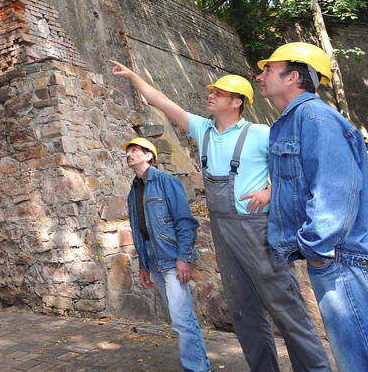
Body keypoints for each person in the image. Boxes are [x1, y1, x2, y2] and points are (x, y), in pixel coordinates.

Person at [111, 60, 329, 371]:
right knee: (243, 312)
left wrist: (270, 192)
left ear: (237, 101)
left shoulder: (260, 133)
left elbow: (298, 171)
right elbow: (162, 100)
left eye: (219, 92)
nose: (211, 95)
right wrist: (133, 75)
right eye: (212, 91)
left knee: (286, 308)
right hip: (223, 232)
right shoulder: (203, 130)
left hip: (257, 229)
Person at [256, 41, 368, 371]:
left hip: (349, 264)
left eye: (268, 69)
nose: (259, 76)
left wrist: (315, 252)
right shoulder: (295, 120)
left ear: (292, 77)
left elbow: (335, 191)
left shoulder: (316, 118)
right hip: (340, 261)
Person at [124, 137, 211, 372]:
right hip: (152, 258)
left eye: (135, 150)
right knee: (178, 318)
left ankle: (197, 369)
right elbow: (139, 230)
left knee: (182, 318)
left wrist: (184, 258)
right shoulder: (133, 191)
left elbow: (185, 221)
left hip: (171, 257)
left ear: (149, 156)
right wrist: (143, 265)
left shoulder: (166, 182)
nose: (129, 154)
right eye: (128, 151)